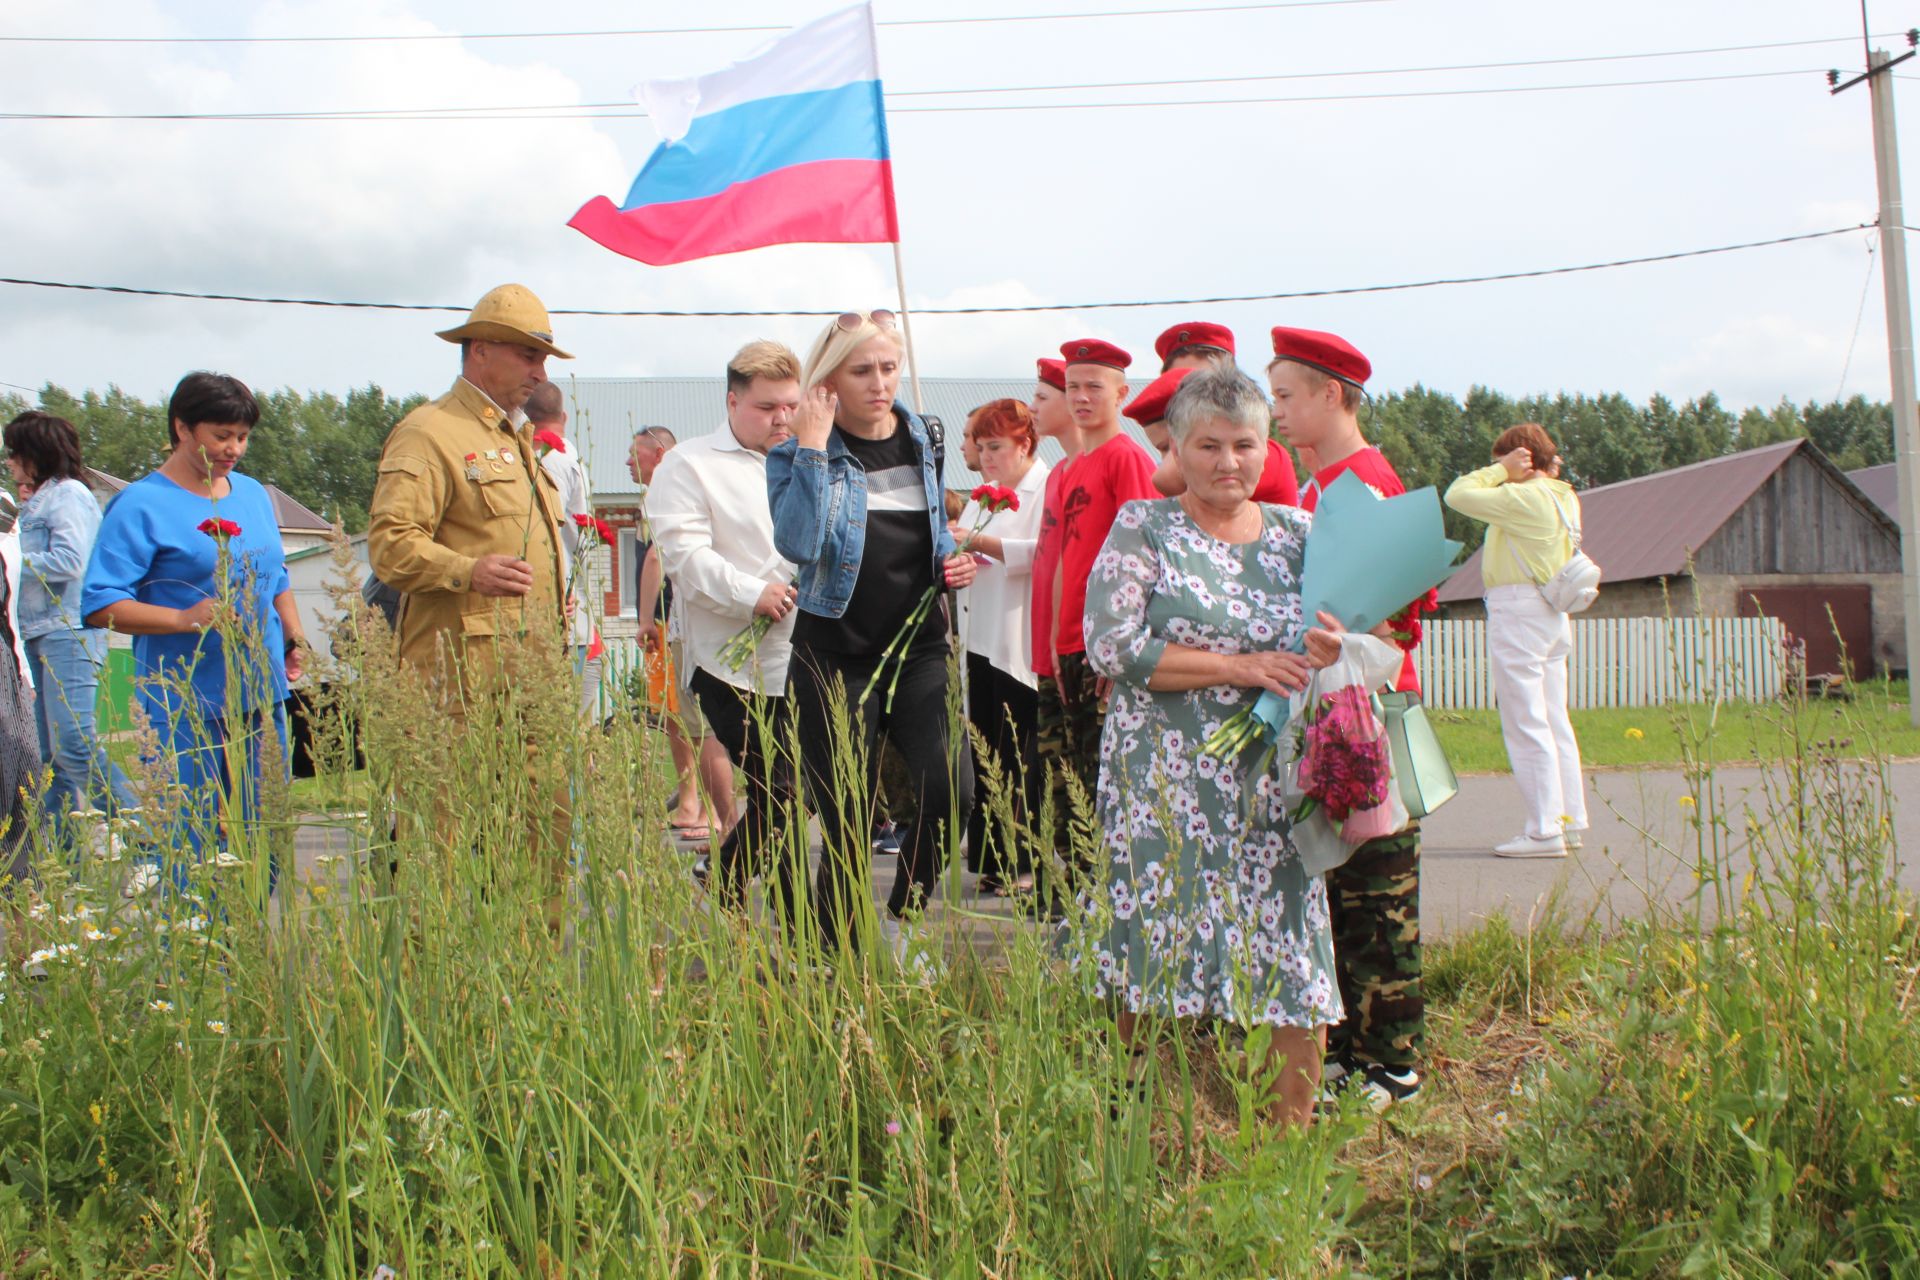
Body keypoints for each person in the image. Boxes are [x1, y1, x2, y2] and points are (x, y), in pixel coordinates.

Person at [1077, 368, 1345, 1128]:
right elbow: (1112, 647)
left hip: (1269, 786)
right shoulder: (1143, 527)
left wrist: (1331, 642)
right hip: (1162, 785)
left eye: (1245, 445)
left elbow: (1343, 631)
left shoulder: (1298, 533)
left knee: (1288, 943)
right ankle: (1136, 1118)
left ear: (1267, 450)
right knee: (1152, 936)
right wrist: (1238, 666)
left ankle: (1288, 1141)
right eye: (1209, 446)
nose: (1229, 463)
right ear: (1178, 449)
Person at [766, 310, 977, 965]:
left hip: (919, 649)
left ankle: (903, 918)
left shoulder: (922, 436)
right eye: (862, 370)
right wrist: (809, 445)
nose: (880, 382)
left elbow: (932, 533)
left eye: (889, 367)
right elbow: (797, 544)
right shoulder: (794, 452)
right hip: (835, 657)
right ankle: (833, 958)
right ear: (828, 378)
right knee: (847, 816)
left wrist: (952, 560)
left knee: (953, 789)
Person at [365, 285, 573, 903]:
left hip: (532, 677)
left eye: (543, 359)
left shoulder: (518, 438)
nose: (540, 372)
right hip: (457, 684)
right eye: (528, 355)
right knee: (444, 848)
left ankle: (529, 980)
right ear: (480, 351)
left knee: (546, 832)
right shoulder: (429, 433)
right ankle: (438, 985)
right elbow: (391, 545)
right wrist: (468, 570)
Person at [1268, 325, 1428, 1111]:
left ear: (1333, 395)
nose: (1278, 416)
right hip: (1331, 706)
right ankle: (1359, 1050)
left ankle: (1394, 1060)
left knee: (1380, 887)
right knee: (1343, 887)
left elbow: (1400, 616)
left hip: (1369, 710)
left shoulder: (1365, 483)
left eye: (1288, 398)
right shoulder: (1318, 486)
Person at [82, 372, 305, 883]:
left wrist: (292, 635)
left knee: (265, 834)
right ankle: (195, 950)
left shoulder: (250, 495)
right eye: (221, 435)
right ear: (182, 428)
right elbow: (100, 603)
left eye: (243, 437)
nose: (234, 449)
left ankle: (246, 950)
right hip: (181, 700)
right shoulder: (140, 505)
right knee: (191, 839)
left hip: (256, 691)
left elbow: (276, 574)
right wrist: (183, 618)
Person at [648, 340, 805, 925]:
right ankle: (746, 889)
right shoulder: (688, 464)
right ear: (733, 401)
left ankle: (746, 888)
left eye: (790, 405)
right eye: (767, 407)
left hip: (806, 656)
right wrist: (752, 592)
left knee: (791, 793)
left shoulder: (811, 459)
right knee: (786, 791)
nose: (782, 418)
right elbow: (683, 555)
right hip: (729, 662)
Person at [1443, 423, 1589, 857]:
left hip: (1518, 608)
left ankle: (1545, 830)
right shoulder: (1564, 496)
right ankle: (1569, 820)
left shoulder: (1523, 496)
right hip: (1550, 610)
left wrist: (1498, 471)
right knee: (1553, 717)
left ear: (1520, 459)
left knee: (1526, 721)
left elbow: (1457, 494)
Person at [1052, 339, 1158, 873]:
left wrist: (1126, 652)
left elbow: (1146, 559)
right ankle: (1087, 898)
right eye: (1072, 386)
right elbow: (1068, 563)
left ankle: (1115, 899)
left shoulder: (1126, 458)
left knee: (1107, 781)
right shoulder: (1075, 465)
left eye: (1094, 386)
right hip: (1072, 643)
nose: (1081, 397)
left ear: (1122, 393)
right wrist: (1055, 641)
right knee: (1079, 778)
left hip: (1107, 649)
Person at [4, 411, 138, 831]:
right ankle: (60, 869)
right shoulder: (37, 501)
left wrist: (12, 559)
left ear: (35, 454)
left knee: (75, 744)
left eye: (13, 454)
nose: (8, 463)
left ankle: (148, 839)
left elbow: (71, 560)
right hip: (39, 633)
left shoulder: (68, 495)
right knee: (49, 759)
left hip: (69, 631)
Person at [948, 398, 1049, 896]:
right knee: (986, 751)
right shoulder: (986, 493)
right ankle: (995, 859)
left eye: (996, 447)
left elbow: (1046, 553)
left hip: (1017, 636)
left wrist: (978, 545)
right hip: (979, 632)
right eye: (981, 447)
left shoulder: (1043, 488)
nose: (986, 457)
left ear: (1024, 444)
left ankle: (1026, 861)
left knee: (1018, 754)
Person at [630, 425, 733, 844]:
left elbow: (657, 556)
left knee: (691, 719)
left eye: (633, 453)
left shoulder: (667, 491)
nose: (626, 462)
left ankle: (716, 817)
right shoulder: (670, 490)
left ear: (657, 454)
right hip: (682, 621)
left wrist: (644, 619)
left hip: (675, 621)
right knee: (680, 719)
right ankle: (695, 805)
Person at [1026, 357, 1082, 905]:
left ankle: (1090, 897)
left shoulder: (1118, 460)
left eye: (1043, 397)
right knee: (1059, 782)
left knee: (1084, 786)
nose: (1034, 408)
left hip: (1082, 655)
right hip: (1051, 652)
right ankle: (1072, 891)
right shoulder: (1063, 471)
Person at [1149, 322, 1299, 506]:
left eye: (1212, 381)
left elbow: (1166, 479)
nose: (1202, 394)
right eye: (1185, 386)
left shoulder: (1261, 454)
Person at [526, 382, 603, 717]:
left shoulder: (529, 459)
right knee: (572, 732)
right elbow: (569, 536)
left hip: (546, 616)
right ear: (565, 416)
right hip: (568, 619)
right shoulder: (566, 461)